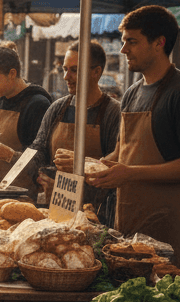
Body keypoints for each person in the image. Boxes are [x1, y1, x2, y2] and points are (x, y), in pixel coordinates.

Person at [87, 5, 180, 271]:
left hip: (170, 219)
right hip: (130, 216)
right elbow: (122, 153)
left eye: (131, 42)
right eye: (123, 42)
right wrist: (92, 166)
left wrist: (130, 173)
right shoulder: (131, 93)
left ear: (159, 43)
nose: (123, 50)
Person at [29, 40, 122, 223]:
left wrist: (74, 177)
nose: (65, 76)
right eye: (64, 69)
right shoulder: (58, 108)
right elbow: (39, 148)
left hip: (95, 215)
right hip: (55, 208)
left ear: (96, 72)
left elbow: (113, 168)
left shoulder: (113, 113)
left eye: (74, 70)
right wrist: (38, 175)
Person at [0, 42, 51, 196]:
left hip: (19, 198)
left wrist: (10, 155)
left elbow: (41, 159)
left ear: (12, 73)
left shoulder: (37, 104)